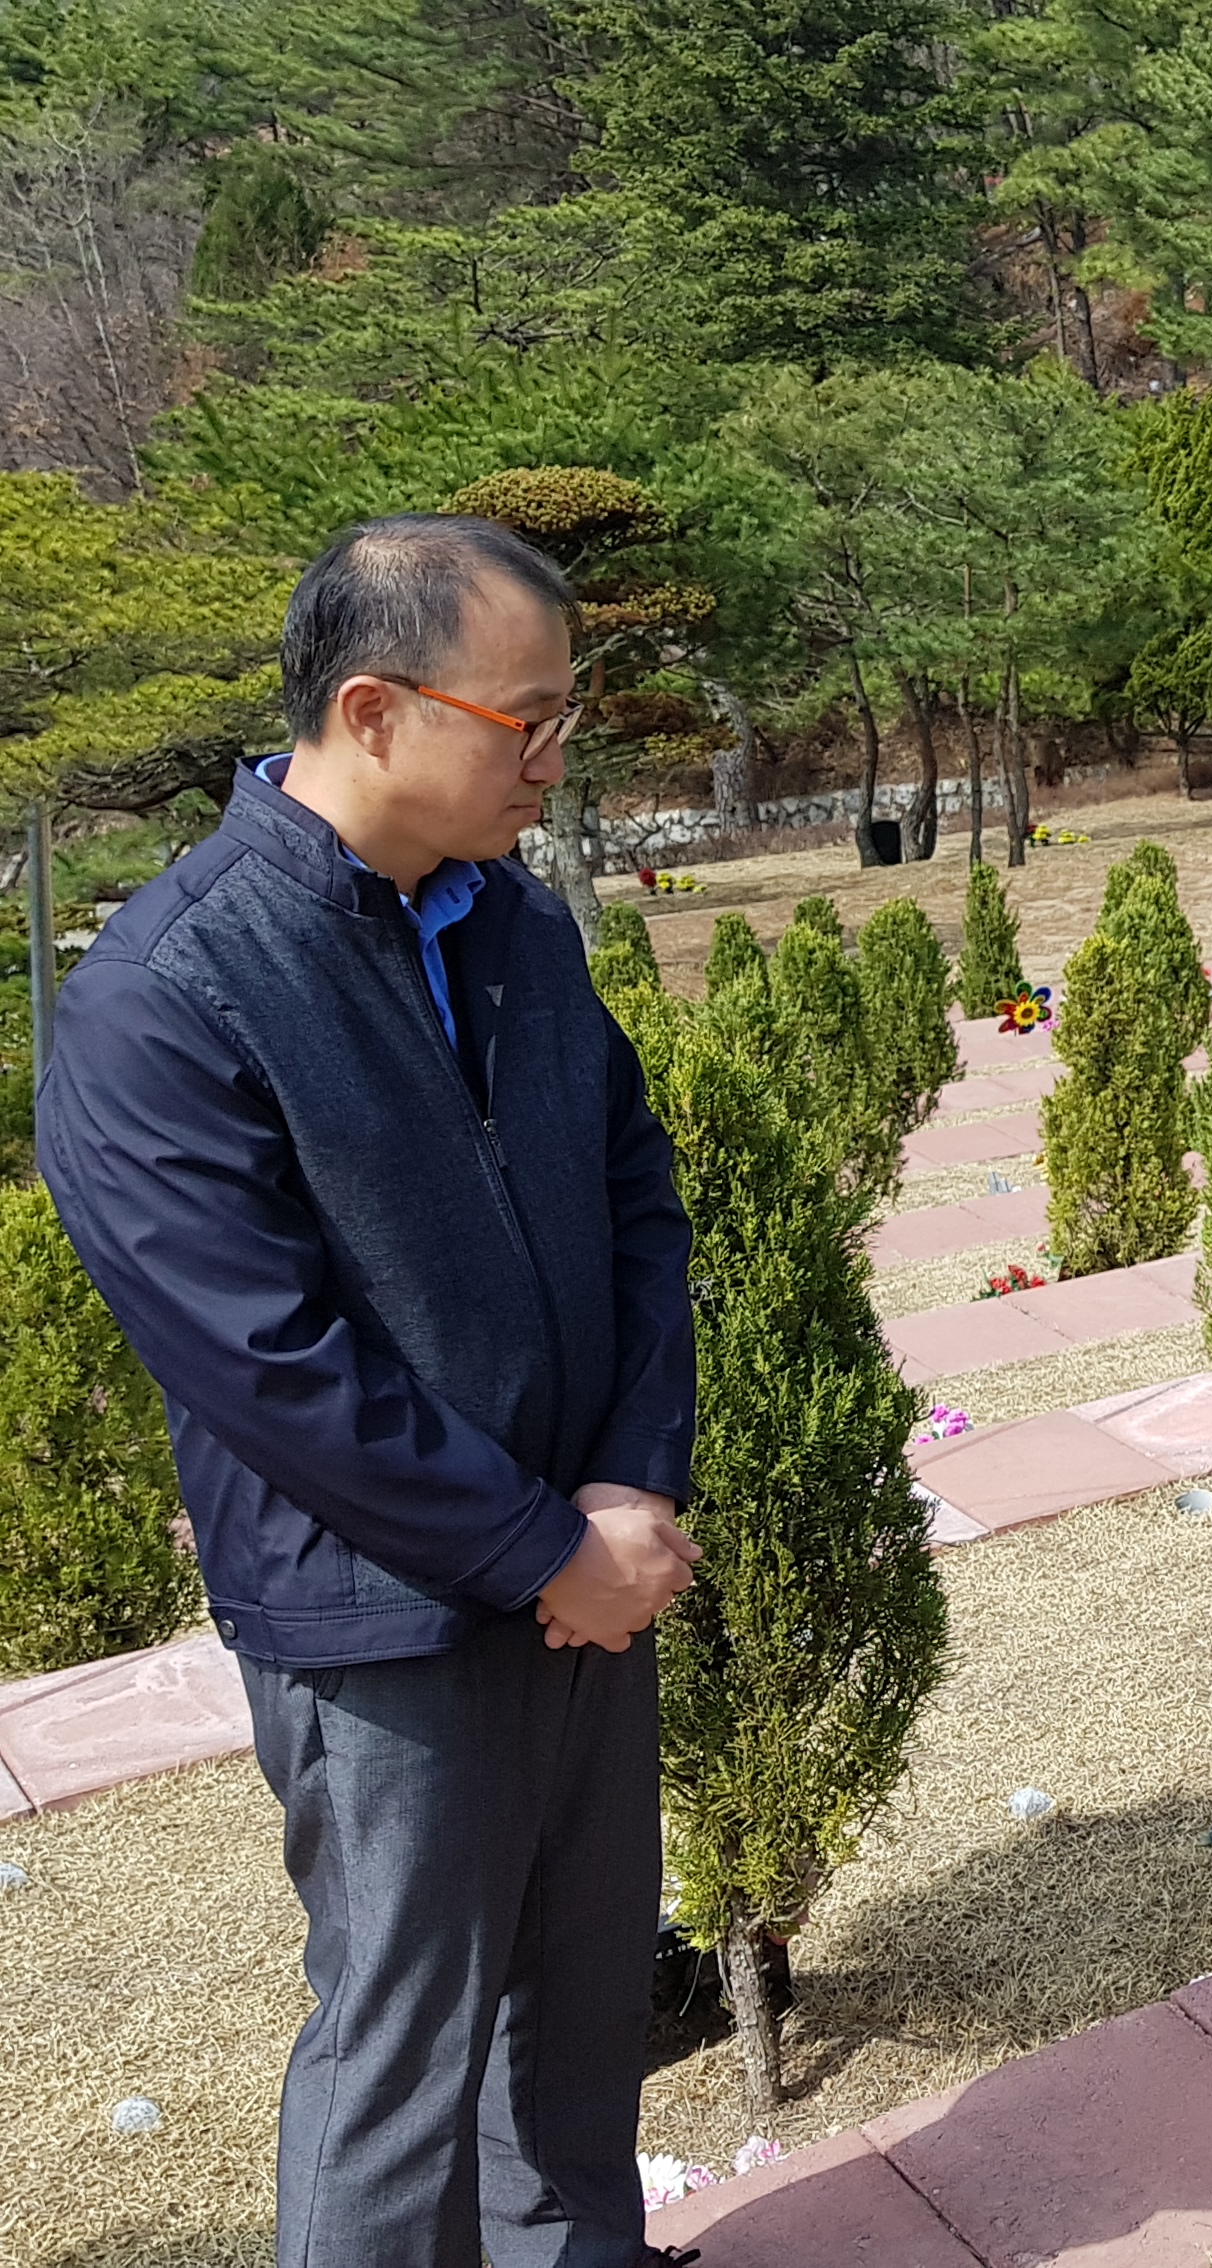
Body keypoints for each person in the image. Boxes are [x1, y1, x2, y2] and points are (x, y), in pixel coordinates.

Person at [38, 516, 702, 2268]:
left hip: (587, 1571)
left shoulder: (513, 927)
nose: (555, 760)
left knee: (573, 2027)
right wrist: (529, 1546)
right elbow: (266, 1361)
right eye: (527, 720)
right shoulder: (168, 997)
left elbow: (635, 1189)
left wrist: (630, 1483)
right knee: (401, 2062)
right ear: (373, 707)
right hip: (385, 1616)